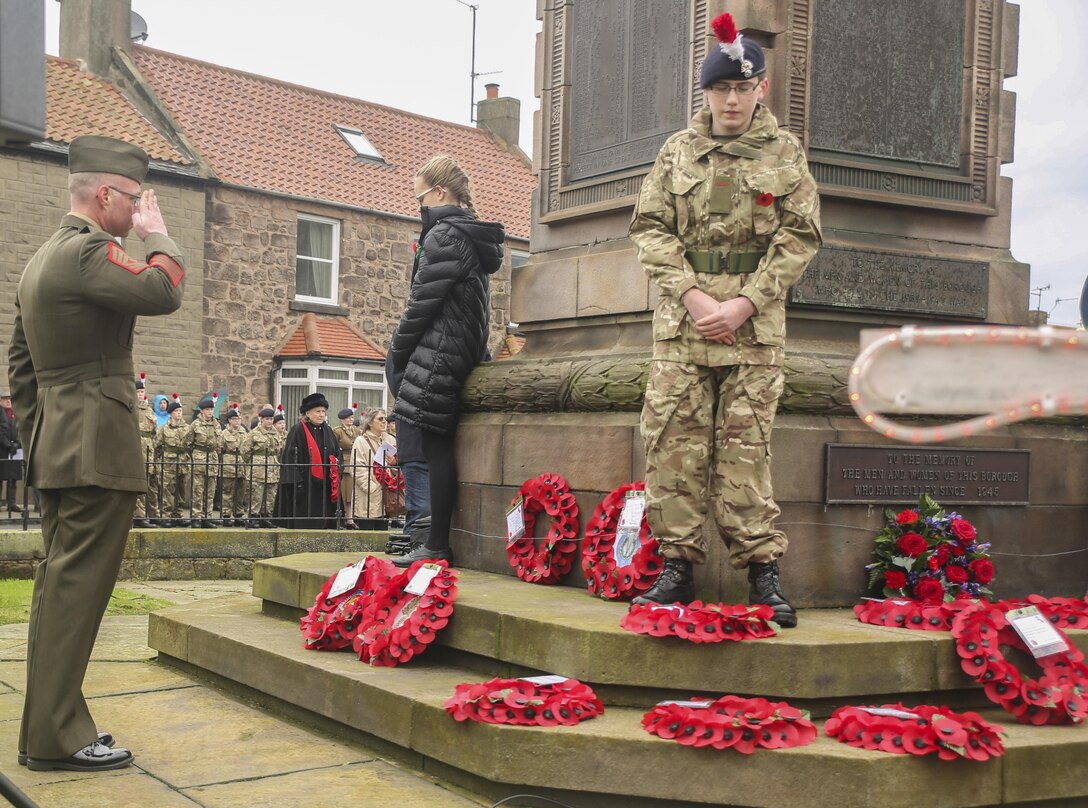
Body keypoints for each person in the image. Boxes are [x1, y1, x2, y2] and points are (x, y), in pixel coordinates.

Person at [626, 14, 821, 628]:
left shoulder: (785, 152)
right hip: (683, 327)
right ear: (706, 94)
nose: (732, 99)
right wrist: (692, 296)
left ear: (760, 88)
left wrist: (742, 304)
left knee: (747, 450)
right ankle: (677, 568)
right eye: (721, 90)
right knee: (673, 448)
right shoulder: (677, 152)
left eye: (742, 88)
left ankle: (763, 574)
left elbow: (800, 236)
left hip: (753, 330)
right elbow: (649, 228)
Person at [7, 135, 185, 771]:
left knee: (60, 589)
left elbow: (21, 371)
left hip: (60, 446)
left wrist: (42, 439)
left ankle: (50, 728)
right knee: (75, 593)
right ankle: (56, 737)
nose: (139, 211)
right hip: (96, 447)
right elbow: (164, 291)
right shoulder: (87, 253)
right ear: (105, 195)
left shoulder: (38, 261)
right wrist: (159, 237)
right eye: (134, 200)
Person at [388, 155, 504, 568]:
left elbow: (420, 306)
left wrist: (397, 353)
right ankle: (433, 539)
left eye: (420, 197)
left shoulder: (443, 235)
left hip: (438, 351)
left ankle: (436, 543)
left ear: (440, 192)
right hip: (460, 348)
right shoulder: (468, 234)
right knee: (439, 448)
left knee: (435, 449)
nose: (418, 207)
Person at [275, 393, 341, 528]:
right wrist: (296, 482)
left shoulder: (328, 430)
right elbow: (290, 457)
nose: (321, 414)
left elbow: (336, 454)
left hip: (324, 485)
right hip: (304, 484)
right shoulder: (297, 430)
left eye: (323, 411)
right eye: (318, 411)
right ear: (308, 413)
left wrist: (337, 470)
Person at [350, 407, 396, 522]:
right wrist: (372, 488)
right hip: (368, 497)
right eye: (380, 419)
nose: (384, 421)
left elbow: (398, 466)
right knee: (367, 532)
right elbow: (357, 469)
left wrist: (394, 464)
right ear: (370, 422)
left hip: (387, 496)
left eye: (385, 418)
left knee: (384, 534)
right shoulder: (361, 441)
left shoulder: (390, 440)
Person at [242, 406, 282, 528]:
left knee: (270, 495)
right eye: (267, 419)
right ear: (261, 420)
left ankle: (266, 517)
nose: (269, 421)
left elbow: (278, 450)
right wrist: (253, 462)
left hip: (272, 466)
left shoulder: (275, 433)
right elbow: (244, 451)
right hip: (258, 468)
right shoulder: (254, 433)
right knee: (256, 495)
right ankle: (253, 518)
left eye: (271, 419)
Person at [187, 394, 223, 528]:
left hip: (212, 458)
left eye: (211, 409)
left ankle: (207, 517)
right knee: (198, 489)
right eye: (207, 409)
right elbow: (187, 443)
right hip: (199, 458)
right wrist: (195, 456)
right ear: (201, 411)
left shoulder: (217, 424)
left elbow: (220, 442)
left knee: (210, 490)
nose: (209, 412)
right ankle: (196, 517)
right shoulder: (195, 425)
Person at [156, 394, 190, 527]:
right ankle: (167, 515)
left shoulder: (187, 428)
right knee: (168, 490)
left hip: (182, 463)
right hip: (169, 463)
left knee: (181, 490)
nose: (179, 413)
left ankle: (178, 515)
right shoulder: (164, 429)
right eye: (176, 411)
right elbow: (157, 445)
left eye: (180, 411)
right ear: (170, 413)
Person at [133, 374, 159, 528]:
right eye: (137, 392)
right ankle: (138, 516)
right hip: (136, 450)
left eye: (142, 392)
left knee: (148, 485)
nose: (140, 395)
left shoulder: (149, 411)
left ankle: (149, 514)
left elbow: (154, 432)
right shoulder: (131, 409)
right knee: (138, 485)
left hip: (149, 451)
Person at [331, 404, 360, 528]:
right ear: (342, 419)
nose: (350, 420)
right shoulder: (337, 431)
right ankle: (344, 519)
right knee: (344, 494)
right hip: (345, 464)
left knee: (352, 495)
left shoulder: (357, 430)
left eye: (352, 417)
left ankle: (350, 518)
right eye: (348, 418)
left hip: (356, 463)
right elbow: (334, 447)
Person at [219, 403, 248, 526]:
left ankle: (238, 514)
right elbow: (220, 449)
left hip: (241, 464)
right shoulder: (224, 433)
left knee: (240, 491)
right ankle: (226, 514)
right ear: (229, 420)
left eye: (238, 419)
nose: (237, 421)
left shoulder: (244, 432)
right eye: (234, 419)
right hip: (229, 464)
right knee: (228, 491)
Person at [0, 392, 21, 514]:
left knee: (13, 478)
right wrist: (7, 444)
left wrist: (17, 444)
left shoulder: (15, 414)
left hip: (14, 451)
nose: (8, 401)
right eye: (5, 399)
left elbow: (21, 430)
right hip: (2, 450)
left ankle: (11, 502)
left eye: (9, 399)